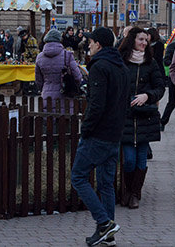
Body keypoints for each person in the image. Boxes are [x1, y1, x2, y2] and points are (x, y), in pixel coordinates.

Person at [70, 26, 128, 247]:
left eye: (92, 42)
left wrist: (86, 128)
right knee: (106, 184)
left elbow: (96, 104)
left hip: (99, 133)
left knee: (78, 176)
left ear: (99, 44)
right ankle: (107, 234)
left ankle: (104, 223)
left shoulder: (99, 67)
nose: (89, 45)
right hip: (114, 133)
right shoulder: (119, 66)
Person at [118, 27, 164, 209]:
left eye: (146, 40)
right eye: (141, 39)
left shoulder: (151, 63)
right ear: (132, 40)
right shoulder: (121, 61)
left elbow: (160, 87)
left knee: (141, 159)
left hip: (146, 116)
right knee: (129, 159)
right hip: (127, 116)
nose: (144, 43)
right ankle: (128, 190)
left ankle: (135, 194)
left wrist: (147, 96)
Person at [34, 28, 83, 113]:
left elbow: (38, 80)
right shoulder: (67, 55)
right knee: (66, 123)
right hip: (65, 95)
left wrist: (44, 88)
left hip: (47, 95)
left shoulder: (39, 57)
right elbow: (78, 77)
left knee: (48, 122)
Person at [160, 29, 175, 130]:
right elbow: (166, 61)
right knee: (172, 102)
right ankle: (163, 122)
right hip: (174, 77)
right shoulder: (172, 47)